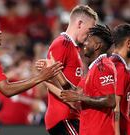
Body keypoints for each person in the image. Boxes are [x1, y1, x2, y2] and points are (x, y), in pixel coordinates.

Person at [37, 24, 116, 135]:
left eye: (89, 40)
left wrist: (79, 97)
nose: (85, 43)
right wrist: (54, 71)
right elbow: (75, 92)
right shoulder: (93, 68)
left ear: (97, 45)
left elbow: (111, 101)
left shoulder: (103, 66)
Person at [44, 5, 98, 135]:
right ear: (79, 23)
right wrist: (69, 99)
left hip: (72, 116)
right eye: (89, 29)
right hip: (63, 117)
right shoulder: (62, 44)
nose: (89, 35)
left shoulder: (73, 48)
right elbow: (46, 78)